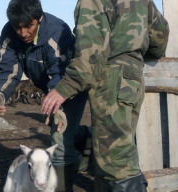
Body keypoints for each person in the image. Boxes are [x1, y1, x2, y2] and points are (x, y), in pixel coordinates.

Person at [42, 0, 169, 191]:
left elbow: (91, 52)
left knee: (116, 162)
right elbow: (160, 33)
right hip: (133, 80)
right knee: (117, 154)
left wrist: (66, 87)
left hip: (110, 79)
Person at [0, 0, 89, 191]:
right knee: (67, 131)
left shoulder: (57, 31)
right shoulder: (9, 33)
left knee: (59, 138)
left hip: (71, 86)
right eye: (18, 27)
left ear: (39, 18)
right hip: (50, 88)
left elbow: (61, 72)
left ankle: (61, 188)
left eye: (29, 26)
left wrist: (58, 106)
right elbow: (8, 68)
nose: (23, 33)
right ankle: (86, 138)